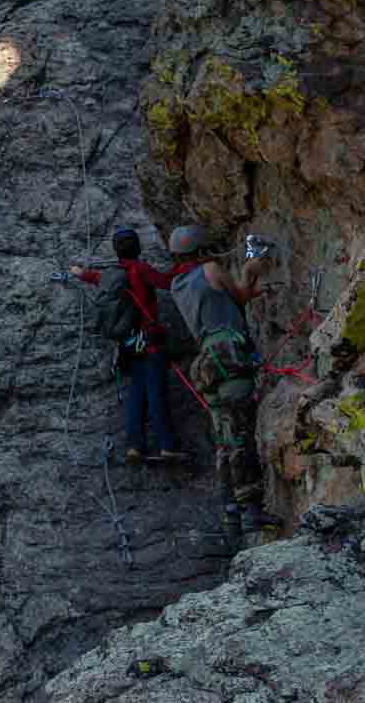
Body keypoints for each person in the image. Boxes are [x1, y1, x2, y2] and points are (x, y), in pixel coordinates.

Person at [170, 225, 283, 546]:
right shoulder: (210, 269)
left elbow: (225, 301)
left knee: (224, 440)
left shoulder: (178, 284)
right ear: (201, 249)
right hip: (229, 355)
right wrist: (250, 271)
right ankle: (251, 509)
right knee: (241, 436)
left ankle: (230, 513)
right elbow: (238, 297)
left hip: (207, 363)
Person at [77, 230, 189, 463]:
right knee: (156, 394)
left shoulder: (111, 275)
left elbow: (93, 277)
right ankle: (167, 446)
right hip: (150, 343)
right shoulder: (141, 269)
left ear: (117, 251)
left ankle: (135, 446)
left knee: (136, 395)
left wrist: (78, 272)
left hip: (128, 346)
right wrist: (186, 265)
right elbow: (167, 283)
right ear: (137, 247)